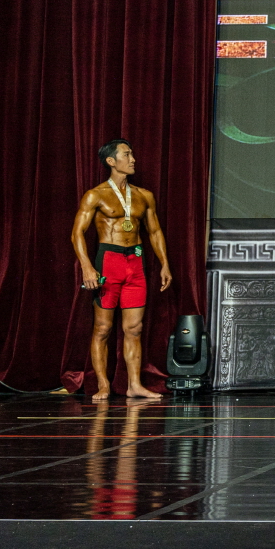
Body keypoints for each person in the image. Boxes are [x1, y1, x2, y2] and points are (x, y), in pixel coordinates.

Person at [70, 139, 173, 401]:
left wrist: (164, 263)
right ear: (111, 161)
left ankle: (134, 385)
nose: (133, 159)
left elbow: (154, 231)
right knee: (103, 328)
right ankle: (103, 384)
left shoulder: (144, 195)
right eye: (126, 154)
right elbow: (77, 233)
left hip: (135, 263)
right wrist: (87, 267)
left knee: (134, 328)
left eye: (132, 153)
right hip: (109, 262)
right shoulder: (95, 195)